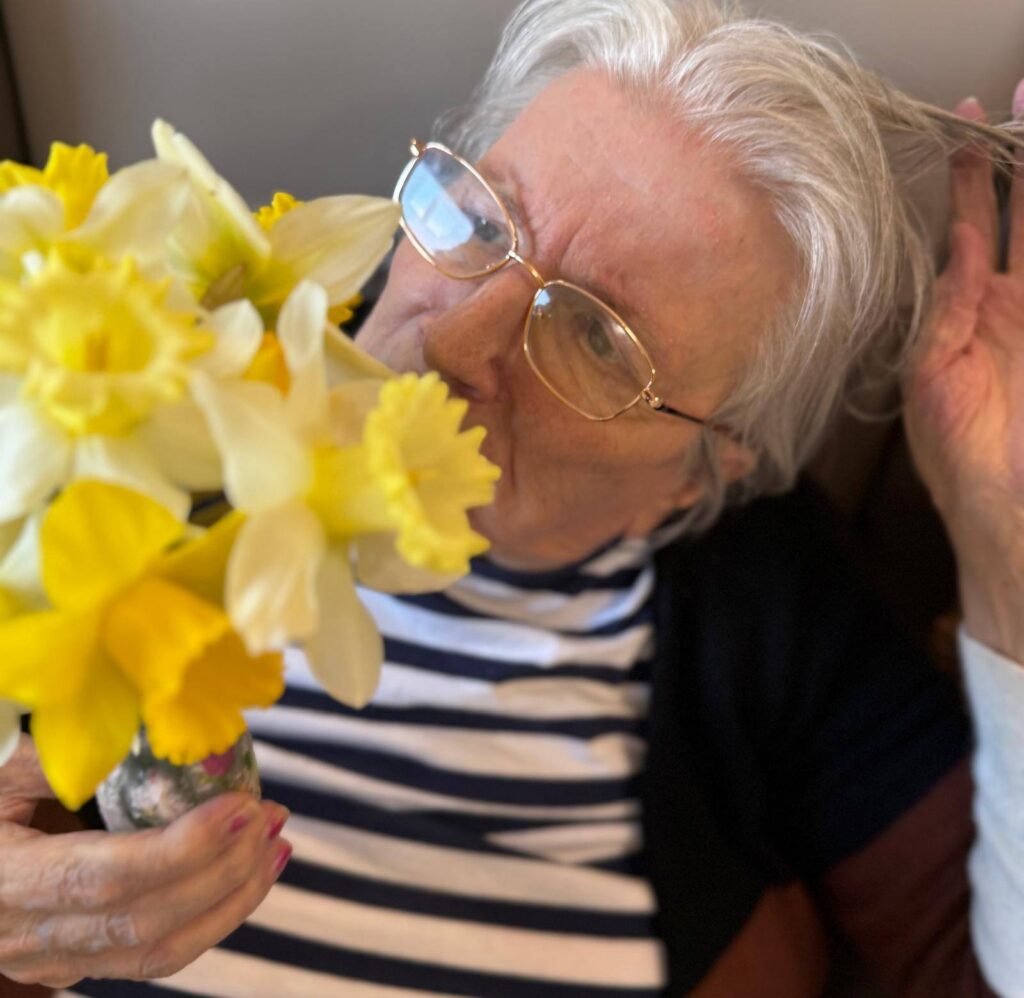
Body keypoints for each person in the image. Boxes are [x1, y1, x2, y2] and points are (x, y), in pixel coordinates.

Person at [2, 0, 1024, 994]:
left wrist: (1000, 540)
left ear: (700, 474)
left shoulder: (771, 610)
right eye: (481, 218)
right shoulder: (149, 377)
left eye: (595, 340)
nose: (453, 339)